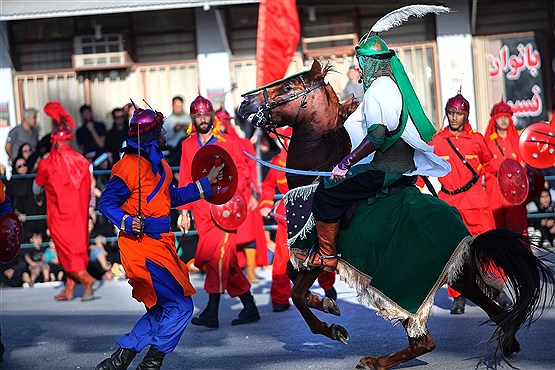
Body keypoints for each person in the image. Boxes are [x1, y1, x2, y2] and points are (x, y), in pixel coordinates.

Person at [96, 102, 223, 370]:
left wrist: (206, 184)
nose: (166, 132)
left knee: (161, 309)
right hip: (140, 249)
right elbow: (106, 204)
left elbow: (172, 197)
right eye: (161, 128)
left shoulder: (161, 165)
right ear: (152, 135)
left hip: (161, 246)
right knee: (181, 308)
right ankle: (150, 365)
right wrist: (128, 221)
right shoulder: (127, 166)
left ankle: (117, 362)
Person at [307, 34, 450, 272]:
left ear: (367, 62)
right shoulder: (390, 86)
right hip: (399, 167)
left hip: (386, 171)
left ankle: (327, 256)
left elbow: (376, 137)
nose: (359, 68)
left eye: (360, 61)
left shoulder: (378, 90)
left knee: (327, 191)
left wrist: (345, 163)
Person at [178, 94, 260, 329]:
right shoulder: (187, 145)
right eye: (198, 115)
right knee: (226, 261)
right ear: (193, 118)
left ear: (212, 117)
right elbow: (185, 177)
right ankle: (250, 306)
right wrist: (183, 212)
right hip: (201, 212)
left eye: (206, 114)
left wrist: (231, 194)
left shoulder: (227, 143)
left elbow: (242, 173)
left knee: (217, 259)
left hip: (223, 212)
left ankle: (211, 311)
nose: (203, 119)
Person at [428, 92, 506, 314]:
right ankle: (458, 296)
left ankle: (497, 289)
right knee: (452, 254)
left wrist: (509, 174)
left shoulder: (477, 140)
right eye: (451, 113)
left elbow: (491, 165)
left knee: (489, 246)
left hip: (476, 202)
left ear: (466, 115)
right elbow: (422, 168)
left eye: (458, 114)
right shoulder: (437, 141)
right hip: (450, 205)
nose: (454, 117)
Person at [259, 127, 337, 312]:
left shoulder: (312, 159)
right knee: (281, 259)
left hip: (311, 215)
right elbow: (268, 186)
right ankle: (279, 298)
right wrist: (265, 204)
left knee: (320, 253)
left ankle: (328, 286)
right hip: (286, 217)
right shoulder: (277, 161)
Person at [33, 101, 98, 302]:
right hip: (79, 215)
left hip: (60, 216)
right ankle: (70, 289)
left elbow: (36, 187)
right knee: (75, 250)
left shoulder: (47, 163)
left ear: (54, 142)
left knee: (66, 251)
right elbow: (90, 189)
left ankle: (87, 280)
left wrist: (38, 196)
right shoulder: (82, 161)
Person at [215, 107, 268, 283]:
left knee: (249, 234)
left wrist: (254, 194)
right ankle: (231, 272)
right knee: (226, 236)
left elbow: (253, 170)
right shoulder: (213, 144)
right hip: (223, 196)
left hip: (244, 194)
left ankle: (251, 271)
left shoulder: (244, 143)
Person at [483, 98, 528, 234]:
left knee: (517, 228)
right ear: (494, 119)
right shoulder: (487, 143)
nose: (503, 120)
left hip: (514, 195)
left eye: (506, 117)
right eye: (499, 117)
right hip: (494, 193)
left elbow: (524, 165)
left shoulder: (517, 141)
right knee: (497, 229)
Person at [163, 96, 191, 166]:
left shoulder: (188, 119)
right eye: (176, 106)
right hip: (172, 150)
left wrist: (187, 129)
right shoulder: (167, 120)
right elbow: (165, 137)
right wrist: (174, 130)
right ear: (173, 105)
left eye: (180, 106)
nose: (178, 108)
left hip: (186, 149)